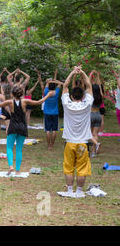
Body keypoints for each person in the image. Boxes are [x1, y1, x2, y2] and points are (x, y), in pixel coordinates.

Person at [0, 85, 54, 175]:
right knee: (19, 149)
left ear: (12, 94)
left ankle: (11, 166)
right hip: (22, 127)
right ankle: (18, 171)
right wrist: (48, 95)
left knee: (9, 147)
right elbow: (39, 102)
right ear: (22, 94)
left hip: (13, 126)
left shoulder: (10, 102)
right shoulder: (25, 101)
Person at [57, 66, 93, 198]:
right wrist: (82, 72)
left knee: (69, 167)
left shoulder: (67, 104)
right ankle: (79, 192)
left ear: (71, 96)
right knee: (82, 168)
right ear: (83, 96)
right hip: (83, 143)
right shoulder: (87, 104)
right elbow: (89, 85)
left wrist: (73, 72)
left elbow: (65, 86)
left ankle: (69, 191)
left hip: (70, 142)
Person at [43, 78, 62, 150]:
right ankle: (52, 145)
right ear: (54, 87)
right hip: (55, 113)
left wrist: (49, 80)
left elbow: (47, 83)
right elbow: (60, 84)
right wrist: (55, 80)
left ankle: (48, 146)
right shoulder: (56, 92)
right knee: (54, 130)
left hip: (47, 113)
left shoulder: (46, 92)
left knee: (47, 130)